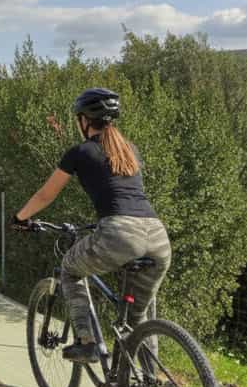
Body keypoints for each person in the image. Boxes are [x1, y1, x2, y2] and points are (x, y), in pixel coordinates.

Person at [12, 88, 171, 363]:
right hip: (157, 236)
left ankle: (86, 342)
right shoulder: (130, 150)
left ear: (84, 120)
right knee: (139, 318)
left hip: (120, 233)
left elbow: (45, 195)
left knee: (70, 270)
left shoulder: (80, 152)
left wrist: (19, 218)